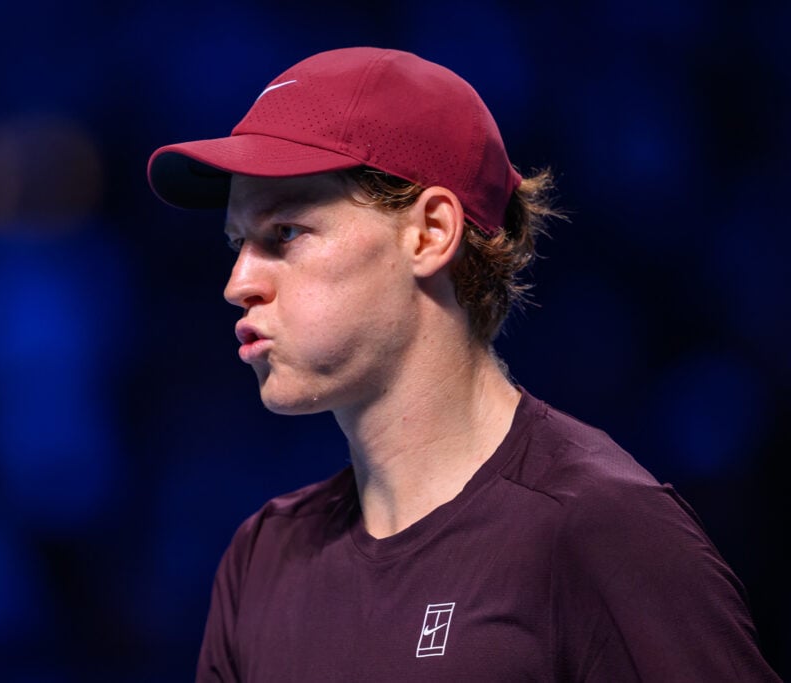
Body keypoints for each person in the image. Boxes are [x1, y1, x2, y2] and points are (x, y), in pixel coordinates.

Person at [146, 47, 779, 681]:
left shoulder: (600, 530)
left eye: (284, 233)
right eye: (237, 242)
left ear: (429, 233)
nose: (238, 283)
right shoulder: (261, 561)